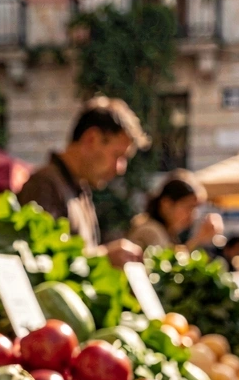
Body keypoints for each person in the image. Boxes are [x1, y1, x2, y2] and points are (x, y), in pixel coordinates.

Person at [19, 97, 148, 269]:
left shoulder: (80, 190)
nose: (120, 168)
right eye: (118, 155)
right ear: (91, 139)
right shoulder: (44, 185)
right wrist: (104, 258)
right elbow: (37, 264)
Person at [128, 173, 223, 252]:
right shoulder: (150, 231)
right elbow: (167, 267)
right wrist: (198, 240)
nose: (193, 214)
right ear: (166, 204)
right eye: (188, 207)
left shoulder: (167, 232)